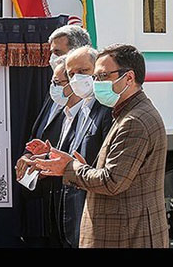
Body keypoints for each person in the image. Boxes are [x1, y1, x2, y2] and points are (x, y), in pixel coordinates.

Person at [35, 44, 169, 248]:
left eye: (103, 76)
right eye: (96, 77)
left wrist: (71, 168)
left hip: (125, 236)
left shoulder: (134, 121)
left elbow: (112, 181)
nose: (96, 83)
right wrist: (78, 166)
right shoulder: (126, 113)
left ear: (129, 78)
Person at [15, 25, 91, 247]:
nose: (51, 58)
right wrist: (30, 156)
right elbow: (40, 137)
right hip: (51, 208)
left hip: (76, 210)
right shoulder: (55, 94)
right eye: (51, 52)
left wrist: (52, 159)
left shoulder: (93, 105)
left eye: (57, 52)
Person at [58, 46, 112, 248]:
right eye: (71, 74)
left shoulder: (108, 110)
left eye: (83, 71)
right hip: (76, 212)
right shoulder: (82, 108)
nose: (77, 78)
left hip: (96, 213)